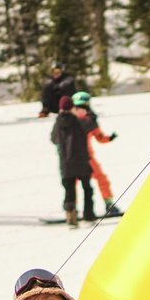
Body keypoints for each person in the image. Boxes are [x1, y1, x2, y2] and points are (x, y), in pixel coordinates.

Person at [70, 91, 123, 218]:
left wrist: (109, 138)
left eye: (85, 107)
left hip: (88, 157)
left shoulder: (91, 120)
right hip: (72, 158)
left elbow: (99, 137)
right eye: (79, 107)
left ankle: (109, 203)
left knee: (100, 177)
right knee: (73, 182)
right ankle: (72, 208)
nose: (82, 110)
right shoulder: (68, 120)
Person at [52, 94, 98, 227]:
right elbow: (92, 124)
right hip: (81, 161)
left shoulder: (57, 124)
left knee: (69, 190)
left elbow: (53, 139)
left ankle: (71, 215)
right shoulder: (78, 122)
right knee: (87, 188)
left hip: (66, 163)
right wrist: (88, 110)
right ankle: (89, 215)